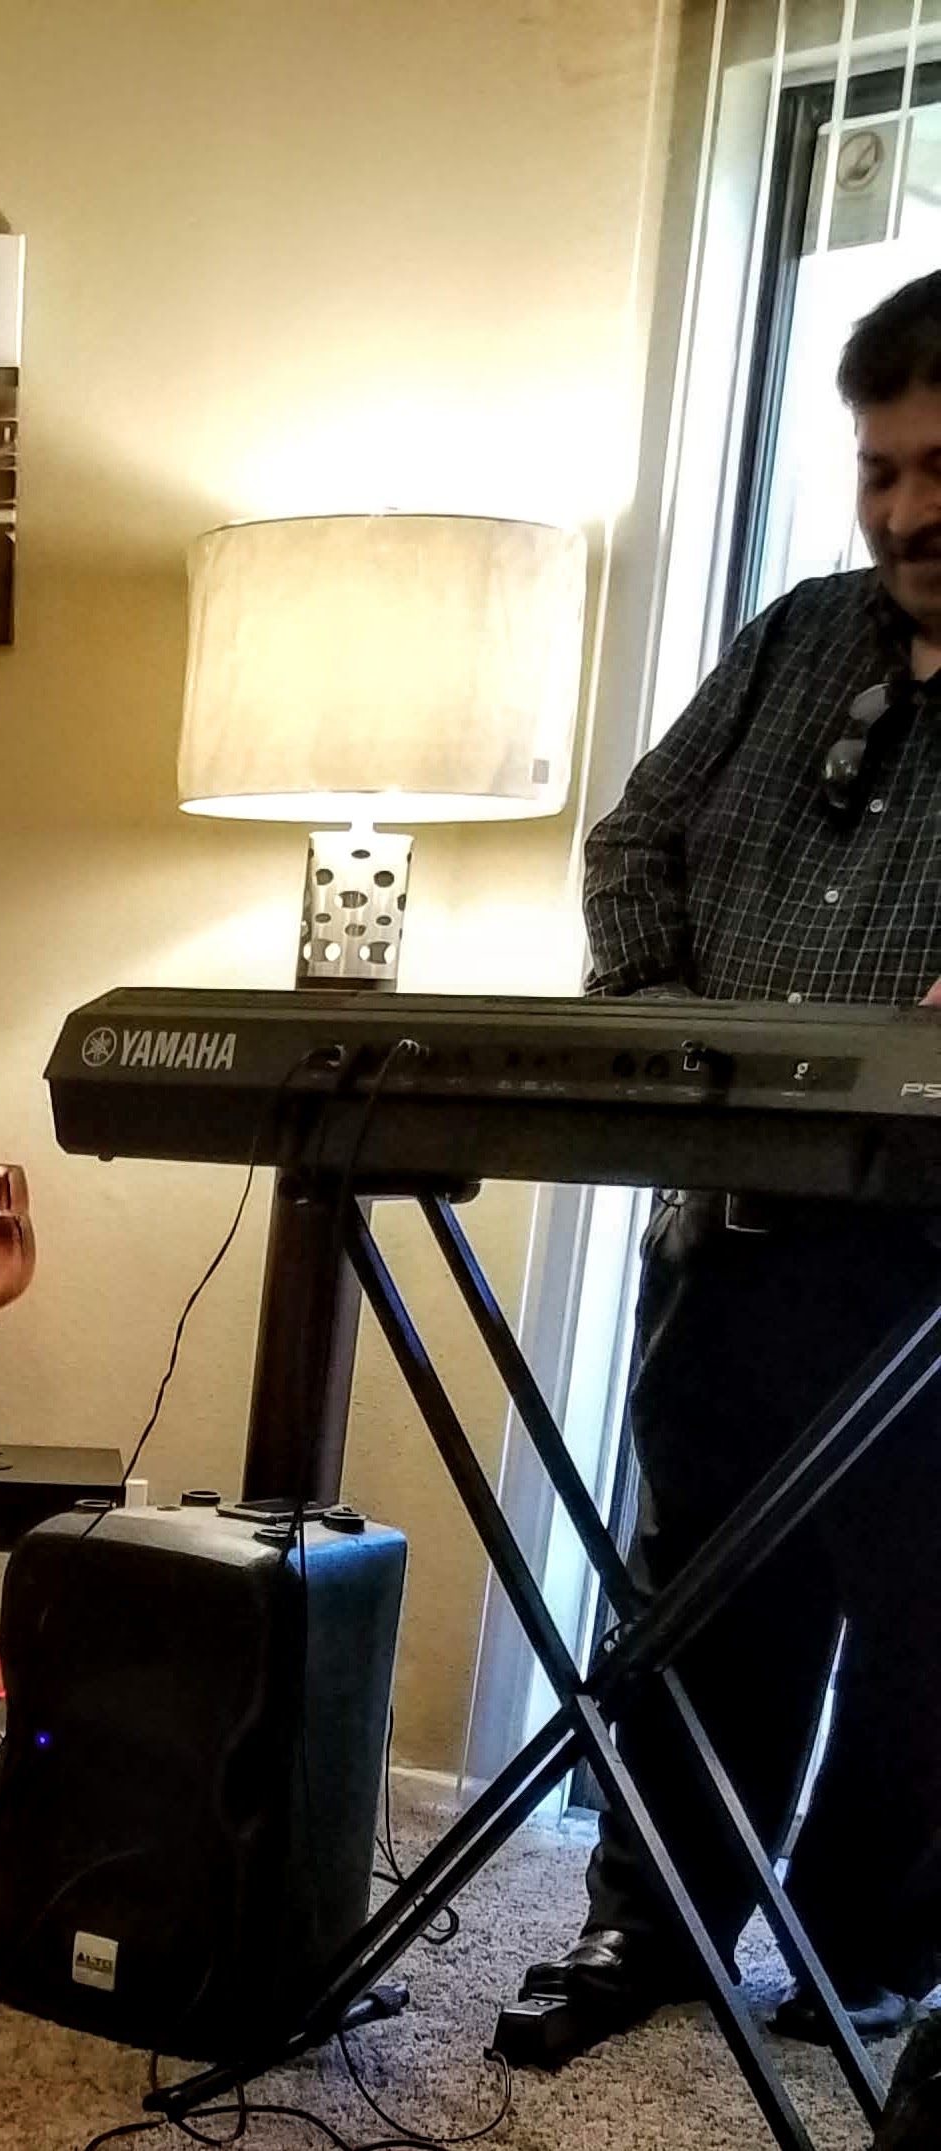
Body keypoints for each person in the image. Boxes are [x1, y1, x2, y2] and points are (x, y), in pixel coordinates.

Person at [521, 267, 941, 2053]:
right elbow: (636, 838)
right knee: (694, 1586)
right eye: (879, 471)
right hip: (734, 1223)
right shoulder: (790, 634)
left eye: (940, 469)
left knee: (918, 1612)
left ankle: (867, 1945)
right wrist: (665, 1041)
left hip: (920, 1251)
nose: (908, 510)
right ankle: (658, 1921)